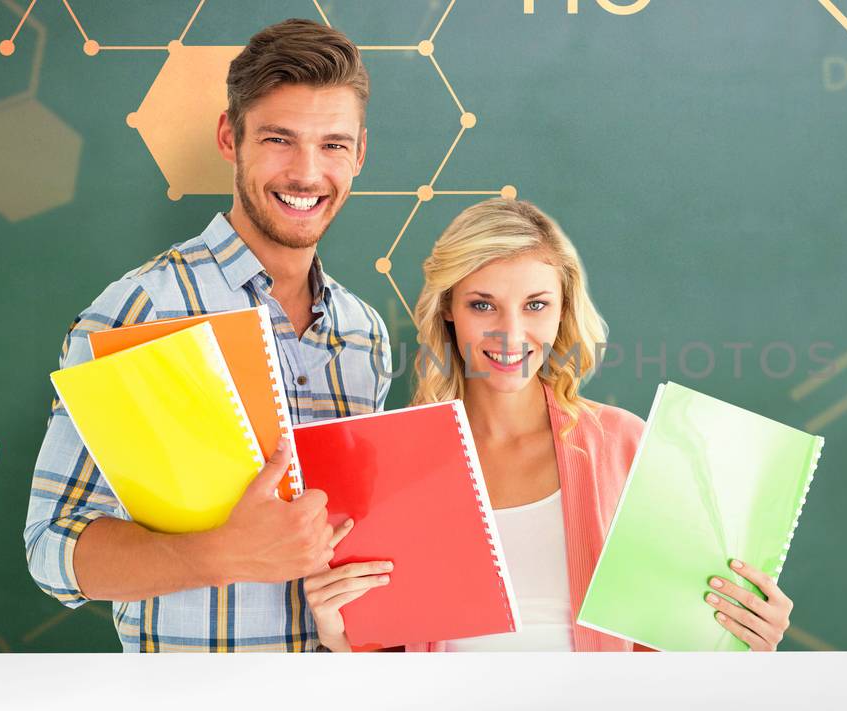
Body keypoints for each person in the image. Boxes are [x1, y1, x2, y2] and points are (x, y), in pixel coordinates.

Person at [24, 19, 393, 652]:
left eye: (333, 145)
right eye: (280, 139)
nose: (307, 173)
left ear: (360, 154)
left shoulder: (365, 334)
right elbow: (52, 546)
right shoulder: (140, 310)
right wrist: (225, 554)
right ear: (231, 137)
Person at [302, 199, 795, 652]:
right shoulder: (393, 464)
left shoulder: (625, 446)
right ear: (448, 310)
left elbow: (674, 649)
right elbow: (386, 668)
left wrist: (743, 638)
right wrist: (338, 635)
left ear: (562, 313)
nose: (510, 333)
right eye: (482, 304)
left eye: (535, 305)